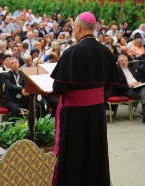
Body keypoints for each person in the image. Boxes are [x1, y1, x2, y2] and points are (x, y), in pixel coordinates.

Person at [50, 12, 120, 186]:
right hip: (97, 112)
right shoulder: (106, 51)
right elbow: (109, 85)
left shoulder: (72, 52)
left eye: (74, 28)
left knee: (75, 154)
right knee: (95, 152)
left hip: (75, 114)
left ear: (79, 27)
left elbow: (58, 87)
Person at [3, 57, 46, 122]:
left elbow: (29, 84)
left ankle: (40, 125)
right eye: (12, 63)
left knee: (37, 106)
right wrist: (21, 89)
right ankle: (9, 127)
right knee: (15, 108)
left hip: (24, 98)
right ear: (9, 66)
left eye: (16, 62)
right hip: (12, 99)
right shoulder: (7, 75)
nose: (15, 64)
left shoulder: (24, 74)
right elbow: (9, 85)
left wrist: (27, 90)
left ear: (19, 63)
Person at [109, 55, 145, 122]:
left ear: (128, 61)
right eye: (121, 61)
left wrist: (140, 82)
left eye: (125, 60)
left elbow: (139, 78)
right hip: (128, 90)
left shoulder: (132, 69)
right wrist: (128, 85)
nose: (124, 62)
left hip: (138, 87)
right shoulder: (117, 72)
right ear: (119, 63)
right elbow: (116, 86)